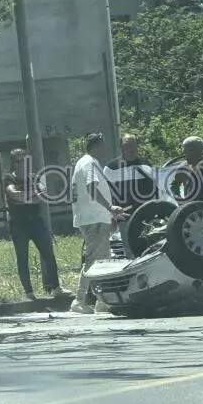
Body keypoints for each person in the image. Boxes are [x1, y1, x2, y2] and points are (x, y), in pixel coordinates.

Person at [3, 149, 73, 299]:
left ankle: (56, 288)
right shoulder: (9, 178)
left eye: (25, 160)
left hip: (36, 220)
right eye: (20, 161)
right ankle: (29, 292)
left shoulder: (34, 177)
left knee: (48, 253)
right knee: (22, 257)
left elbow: (42, 196)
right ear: (14, 163)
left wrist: (24, 198)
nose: (23, 164)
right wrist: (30, 195)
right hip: (18, 223)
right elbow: (14, 194)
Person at [70, 133, 128, 314]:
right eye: (103, 146)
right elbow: (91, 189)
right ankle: (79, 300)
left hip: (96, 218)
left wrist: (108, 214)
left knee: (101, 261)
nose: (105, 150)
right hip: (93, 219)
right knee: (93, 260)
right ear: (96, 146)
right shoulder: (89, 163)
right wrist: (110, 208)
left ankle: (100, 301)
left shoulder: (87, 163)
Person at [104, 135, 156, 258]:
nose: (131, 148)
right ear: (121, 147)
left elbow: (154, 190)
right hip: (125, 216)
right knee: (130, 250)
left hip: (146, 216)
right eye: (127, 145)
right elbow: (106, 193)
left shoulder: (146, 164)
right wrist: (111, 216)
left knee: (149, 248)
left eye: (133, 144)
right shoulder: (111, 167)